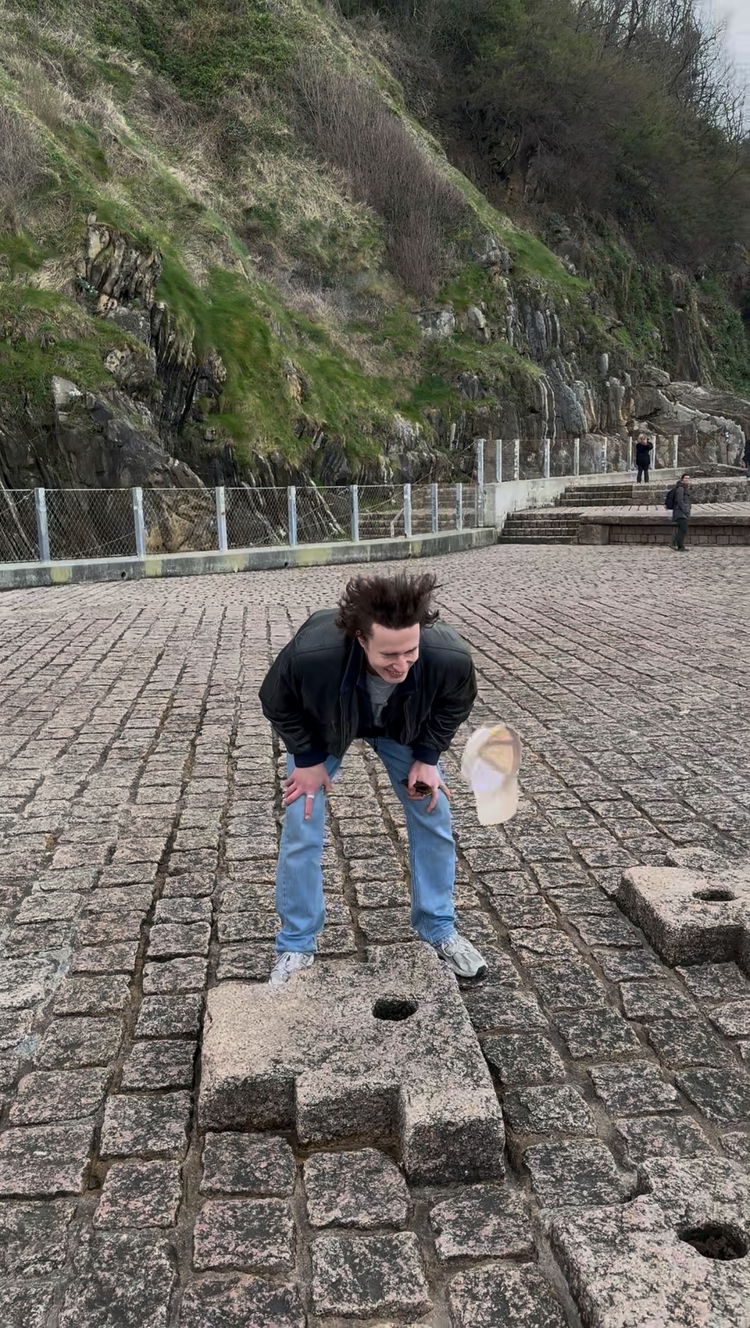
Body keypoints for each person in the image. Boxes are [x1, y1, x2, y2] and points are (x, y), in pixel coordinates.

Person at [259, 572, 487, 986]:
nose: (401, 665)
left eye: (410, 651)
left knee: (434, 808)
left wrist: (428, 757)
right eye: (389, 655)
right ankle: (296, 944)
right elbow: (276, 700)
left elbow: (456, 702)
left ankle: (438, 927)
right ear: (361, 639)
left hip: (401, 728)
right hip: (326, 726)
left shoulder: (449, 657)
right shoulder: (312, 655)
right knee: (301, 819)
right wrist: (307, 760)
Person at [671, 473, 691, 550]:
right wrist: (685, 510)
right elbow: (679, 500)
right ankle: (674, 543)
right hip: (680, 512)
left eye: (688, 478)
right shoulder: (680, 488)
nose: (687, 480)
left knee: (682, 529)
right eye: (685, 478)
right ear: (682, 479)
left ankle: (680, 546)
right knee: (683, 528)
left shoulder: (684, 488)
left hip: (682, 512)